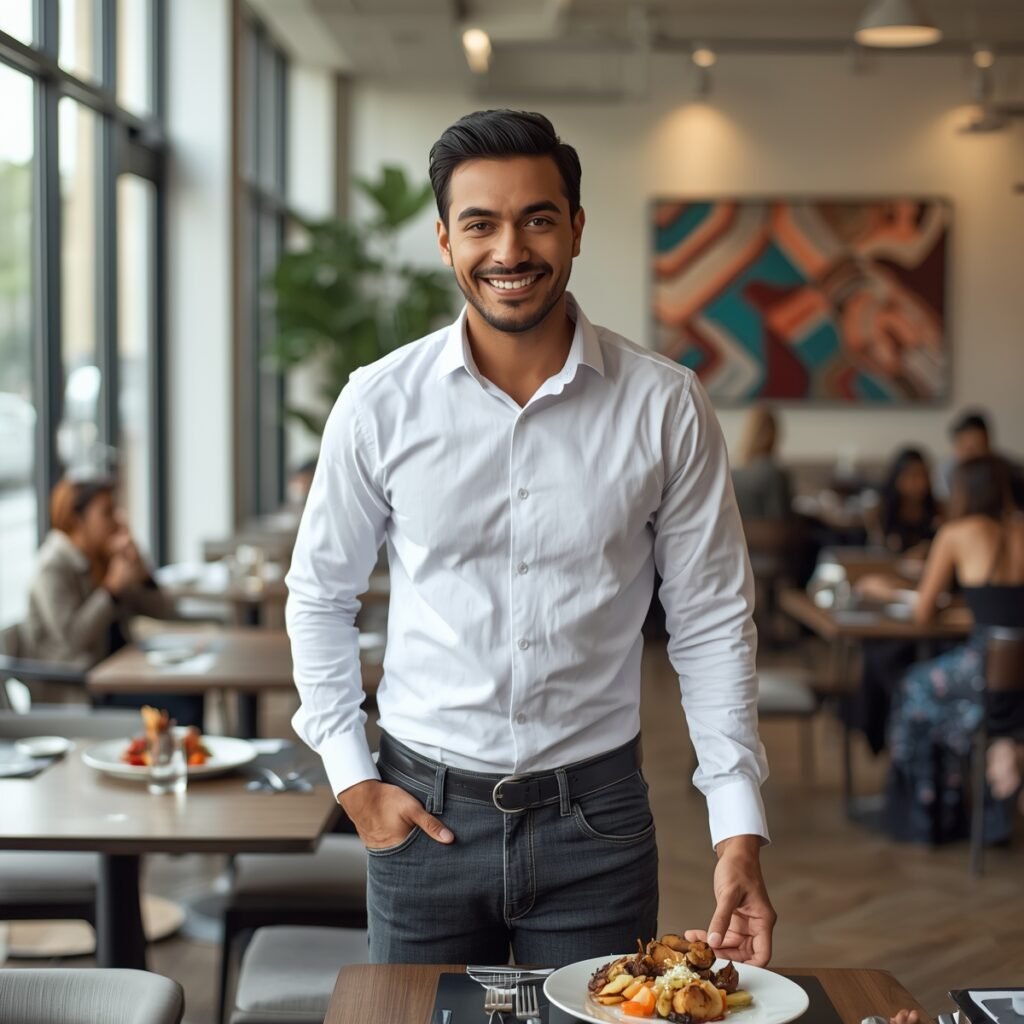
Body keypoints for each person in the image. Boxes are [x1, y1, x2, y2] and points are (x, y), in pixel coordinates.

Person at [286, 109, 773, 968]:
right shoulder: (377, 404)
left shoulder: (665, 405)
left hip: (597, 824)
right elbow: (319, 595)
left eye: (537, 219)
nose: (510, 250)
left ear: (576, 228)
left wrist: (738, 829)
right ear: (445, 239)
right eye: (481, 223)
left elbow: (710, 620)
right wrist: (353, 779)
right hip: (419, 814)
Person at [857, 455, 1024, 842]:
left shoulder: (958, 532)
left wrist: (886, 590)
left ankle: (927, 813)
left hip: (983, 667)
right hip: (1016, 674)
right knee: (962, 701)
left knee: (914, 688)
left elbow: (922, 612)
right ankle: (1000, 759)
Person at [19, 475, 201, 727]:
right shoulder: (53, 567)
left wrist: (140, 568)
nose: (116, 519)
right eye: (107, 512)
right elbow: (75, 638)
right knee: (182, 706)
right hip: (79, 689)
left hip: (119, 674)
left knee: (191, 691)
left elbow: (163, 610)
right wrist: (111, 589)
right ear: (77, 519)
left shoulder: (101, 557)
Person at [871, 447, 940, 555]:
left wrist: (927, 548)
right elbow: (878, 551)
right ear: (897, 478)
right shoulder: (880, 510)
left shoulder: (938, 509)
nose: (920, 483)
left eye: (924, 475)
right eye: (913, 476)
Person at [730, 406, 793, 522]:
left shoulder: (732, 473)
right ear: (773, 434)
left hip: (741, 537)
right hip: (773, 537)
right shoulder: (774, 473)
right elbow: (780, 517)